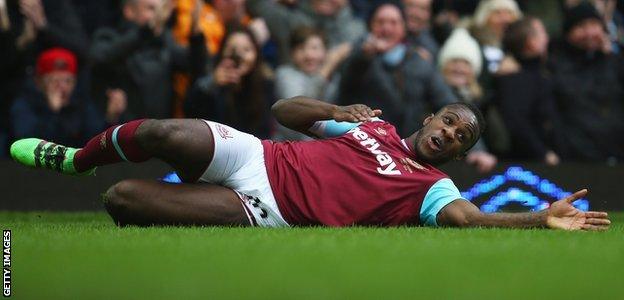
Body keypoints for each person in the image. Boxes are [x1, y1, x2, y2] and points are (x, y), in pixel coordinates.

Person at [9, 96, 610, 230]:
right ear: (428, 119)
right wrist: (337, 109)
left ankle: (103, 181)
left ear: (455, 152)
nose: (449, 134)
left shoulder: (432, 184)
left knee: (123, 202)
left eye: (460, 136)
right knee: (166, 130)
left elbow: (468, 221)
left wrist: (538, 218)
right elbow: (284, 110)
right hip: (260, 154)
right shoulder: (369, 125)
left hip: (267, 207)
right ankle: (78, 160)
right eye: (447, 121)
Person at [338, 3, 456, 137]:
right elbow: (346, 83)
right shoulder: (360, 54)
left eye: (393, 23)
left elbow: (446, 101)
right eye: (380, 22)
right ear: (370, 25)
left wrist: (476, 149)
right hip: (363, 137)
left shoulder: (418, 61)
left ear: (404, 28)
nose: (386, 28)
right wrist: (366, 56)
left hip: (404, 143)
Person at [89, 0, 207, 121]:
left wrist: (196, 36)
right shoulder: (109, 36)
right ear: (129, 11)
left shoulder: (165, 43)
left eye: (161, 10)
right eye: (151, 9)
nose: (159, 15)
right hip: (121, 131)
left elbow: (195, 68)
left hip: (159, 132)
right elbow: (101, 57)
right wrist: (147, 30)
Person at [549, 2, 624, 161]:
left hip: (616, 155)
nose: (589, 32)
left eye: (594, 25)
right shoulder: (554, 64)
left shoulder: (614, 61)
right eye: (581, 26)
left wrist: (609, 58)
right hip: (577, 158)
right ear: (568, 33)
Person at [185, 28, 274, 139]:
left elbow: (266, 130)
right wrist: (212, 84)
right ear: (222, 52)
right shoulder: (211, 82)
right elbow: (191, 114)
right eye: (232, 49)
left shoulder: (266, 85)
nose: (239, 56)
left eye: (246, 50)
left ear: (256, 54)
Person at [498, 17, 565, 164]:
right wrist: (544, 153)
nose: (547, 38)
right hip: (531, 164)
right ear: (531, 42)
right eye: (542, 33)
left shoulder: (547, 70)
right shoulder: (513, 78)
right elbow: (517, 123)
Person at [10, 48, 105, 147]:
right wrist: (52, 112)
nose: (63, 87)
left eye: (68, 81)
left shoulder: (80, 101)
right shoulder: (25, 104)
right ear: (39, 81)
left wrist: (111, 120)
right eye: (55, 81)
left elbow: (94, 140)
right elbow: (27, 143)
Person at [273, 26, 351, 141]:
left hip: (325, 146)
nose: (309, 55)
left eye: (315, 48)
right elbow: (298, 107)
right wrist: (327, 67)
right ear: (292, 53)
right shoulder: (285, 74)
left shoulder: (335, 77)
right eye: (301, 48)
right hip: (289, 146)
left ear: (325, 51)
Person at [437, 28, 497, 173]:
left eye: (466, 63)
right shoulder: (432, 97)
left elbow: (500, 140)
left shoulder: (483, 100)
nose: (459, 68)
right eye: (454, 61)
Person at [246, 0, 366, 64]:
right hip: (295, 97)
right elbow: (255, 4)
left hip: (346, 102)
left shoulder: (357, 29)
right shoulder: (290, 20)